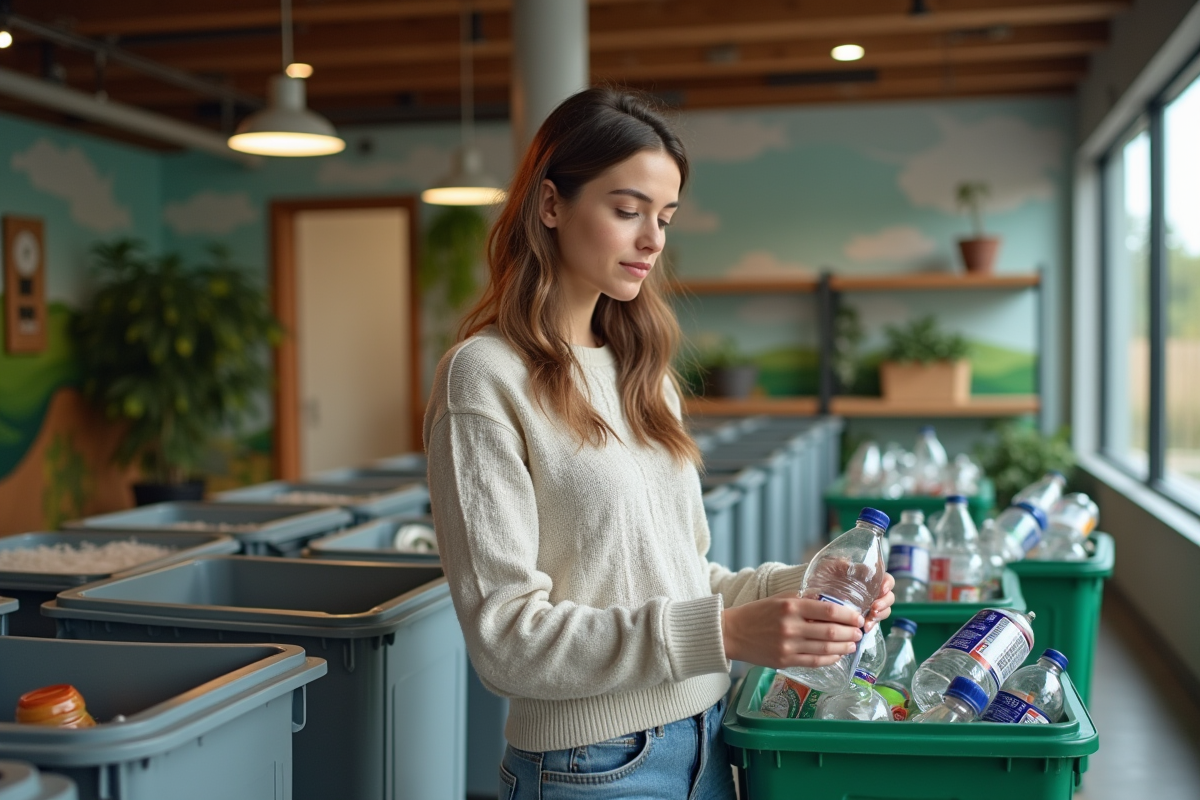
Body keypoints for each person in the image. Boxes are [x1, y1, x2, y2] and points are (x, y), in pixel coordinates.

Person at [424, 87, 894, 800]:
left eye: (665, 218)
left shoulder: (644, 377)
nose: (653, 240)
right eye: (627, 210)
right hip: (591, 767)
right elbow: (508, 642)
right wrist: (726, 634)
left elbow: (684, 580)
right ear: (550, 205)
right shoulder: (484, 376)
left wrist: (807, 589)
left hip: (710, 739)